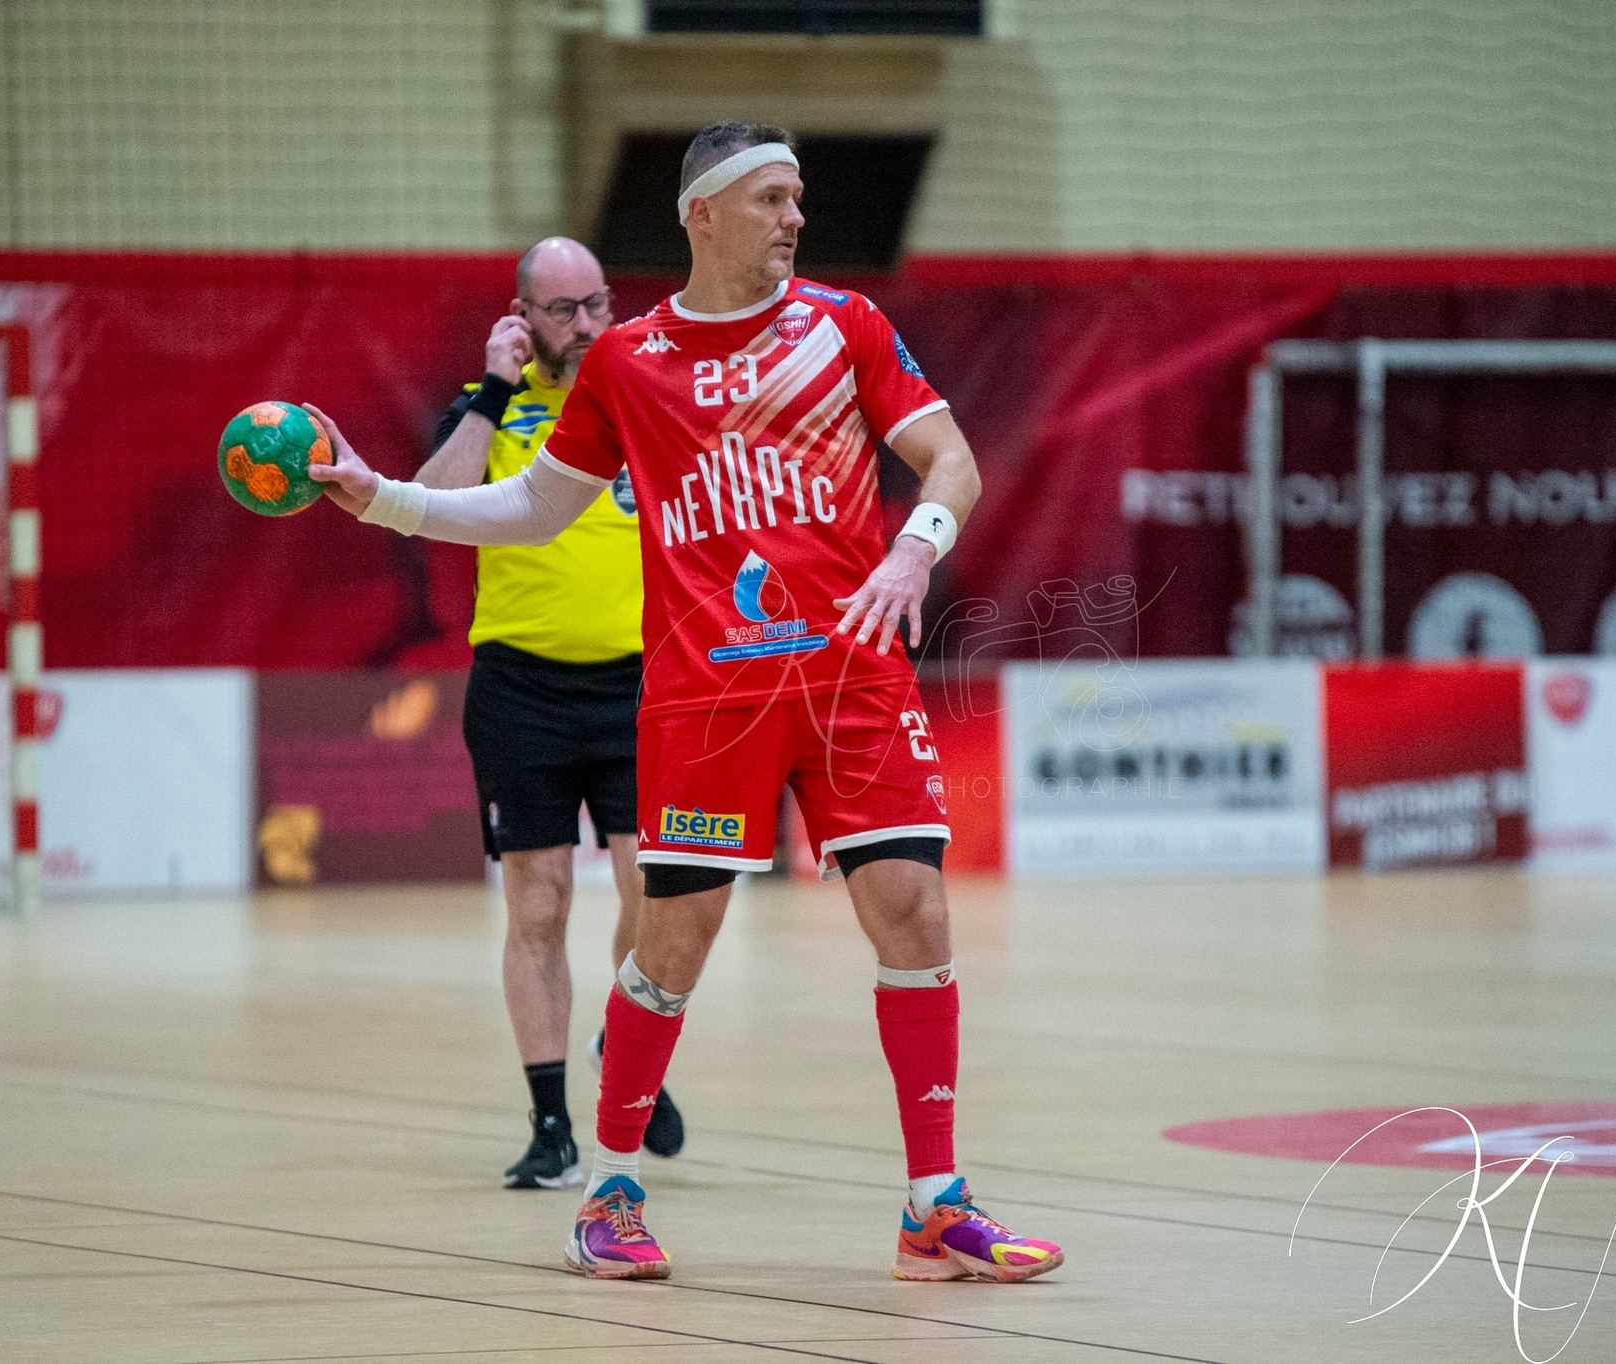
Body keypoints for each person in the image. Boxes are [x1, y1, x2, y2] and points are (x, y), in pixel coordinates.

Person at [306, 122, 1063, 1285]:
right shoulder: (628, 361)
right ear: (700, 215)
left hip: (852, 673)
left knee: (912, 909)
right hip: (706, 696)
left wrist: (911, 552)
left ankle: (932, 1203)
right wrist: (383, 501)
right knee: (675, 938)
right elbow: (529, 509)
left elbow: (950, 459)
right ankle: (608, 1191)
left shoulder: (843, 325)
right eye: (769, 198)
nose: (794, 218)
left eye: (798, 197)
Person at [421, 236, 682, 1191]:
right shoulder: (489, 408)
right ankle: (550, 1125)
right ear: (521, 316)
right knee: (540, 903)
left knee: (656, 895)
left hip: (638, 687)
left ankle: (621, 1037)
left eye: (597, 305)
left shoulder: (642, 395)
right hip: (522, 688)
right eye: (564, 309)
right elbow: (437, 505)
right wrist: (492, 393)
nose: (585, 325)